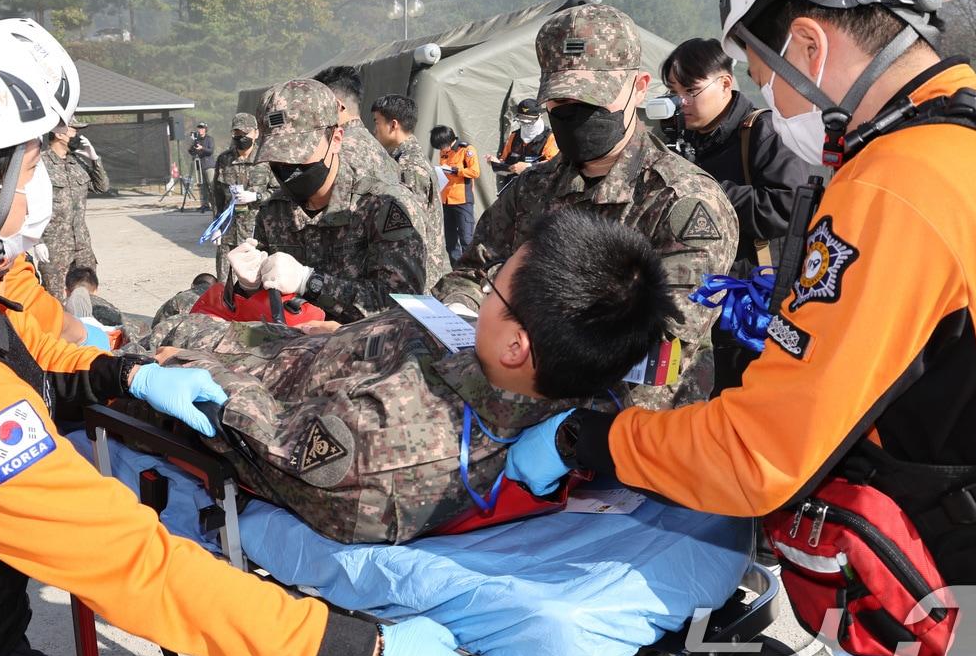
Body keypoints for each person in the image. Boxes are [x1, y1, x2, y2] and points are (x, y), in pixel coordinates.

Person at [0, 1, 519, 656]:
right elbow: (137, 567)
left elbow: (24, 359)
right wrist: (367, 652)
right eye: (31, 166)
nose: (40, 185)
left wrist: (122, 376)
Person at [503, 0, 976, 656]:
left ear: (808, 44)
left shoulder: (900, 185)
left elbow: (761, 454)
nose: (769, 99)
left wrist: (595, 440)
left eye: (766, 74)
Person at [152, 207, 680, 544]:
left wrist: (179, 365)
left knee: (149, 329)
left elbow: (254, 436)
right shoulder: (556, 370)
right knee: (199, 302)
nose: (482, 297)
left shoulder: (380, 443)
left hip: (246, 371)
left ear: (517, 346)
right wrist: (344, 337)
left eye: (494, 290)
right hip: (305, 349)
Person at [434, 4, 738, 414]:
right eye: (561, 99)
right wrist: (460, 312)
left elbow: (665, 340)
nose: (576, 111)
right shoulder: (533, 187)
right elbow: (473, 270)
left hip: (631, 420)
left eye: (593, 96)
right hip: (509, 388)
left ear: (639, 88)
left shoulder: (684, 203)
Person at [659, 38, 819, 391]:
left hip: (750, 306)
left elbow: (785, 207)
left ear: (726, 84)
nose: (680, 102)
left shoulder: (765, 131)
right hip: (696, 305)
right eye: (673, 91)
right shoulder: (681, 142)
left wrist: (705, 190)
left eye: (691, 90)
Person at [227, 79, 449, 325]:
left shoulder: (382, 206)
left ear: (336, 139)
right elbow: (266, 310)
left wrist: (308, 281)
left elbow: (401, 305)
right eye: (277, 156)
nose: (288, 167)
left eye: (298, 152)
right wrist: (248, 287)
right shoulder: (274, 212)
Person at [39, 116, 109, 299]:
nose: (77, 134)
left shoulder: (77, 162)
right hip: (55, 247)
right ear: (58, 133)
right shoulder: (40, 163)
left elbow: (102, 187)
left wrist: (95, 160)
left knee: (88, 298)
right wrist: (37, 241)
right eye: (73, 129)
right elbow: (27, 204)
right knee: (57, 300)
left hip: (82, 246)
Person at [211, 113, 274, 280]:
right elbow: (217, 196)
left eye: (244, 134)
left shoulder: (266, 159)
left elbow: (279, 192)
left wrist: (256, 196)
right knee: (224, 282)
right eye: (236, 135)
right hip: (228, 232)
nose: (240, 138)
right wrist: (216, 226)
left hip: (256, 234)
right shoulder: (224, 159)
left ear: (256, 133)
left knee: (253, 282)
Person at [371, 93, 442, 235]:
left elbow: (412, 226)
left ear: (393, 125)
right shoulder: (404, 157)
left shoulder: (409, 165)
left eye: (377, 122)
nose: (374, 130)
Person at [432, 125, 480, 265]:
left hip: (462, 200)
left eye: (442, 146)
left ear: (448, 141)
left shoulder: (467, 150)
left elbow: (475, 172)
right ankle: (457, 270)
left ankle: (472, 270)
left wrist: (455, 170)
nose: (441, 150)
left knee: (466, 238)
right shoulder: (443, 152)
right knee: (450, 241)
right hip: (446, 200)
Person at [486, 98, 558, 189]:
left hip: (538, 192)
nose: (525, 124)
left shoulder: (549, 137)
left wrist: (529, 166)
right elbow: (505, 162)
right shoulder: (514, 136)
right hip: (512, 190)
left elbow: (554, 165)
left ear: (539, 116)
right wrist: (496, 163)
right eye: (521, 121)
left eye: (529, 121)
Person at [187, 121, 216, 212]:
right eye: (199, 128)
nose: (200, 130)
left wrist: (202, 148)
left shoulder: (209, 139)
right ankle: (205, 205)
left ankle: (216, 204)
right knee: (202, 187)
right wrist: (192, 145)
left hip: (209, 166)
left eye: (202, 128)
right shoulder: (197, 140)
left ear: (205, 130)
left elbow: (210, 151)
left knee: (212, 185)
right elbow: (192, 152)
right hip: (199, 166)